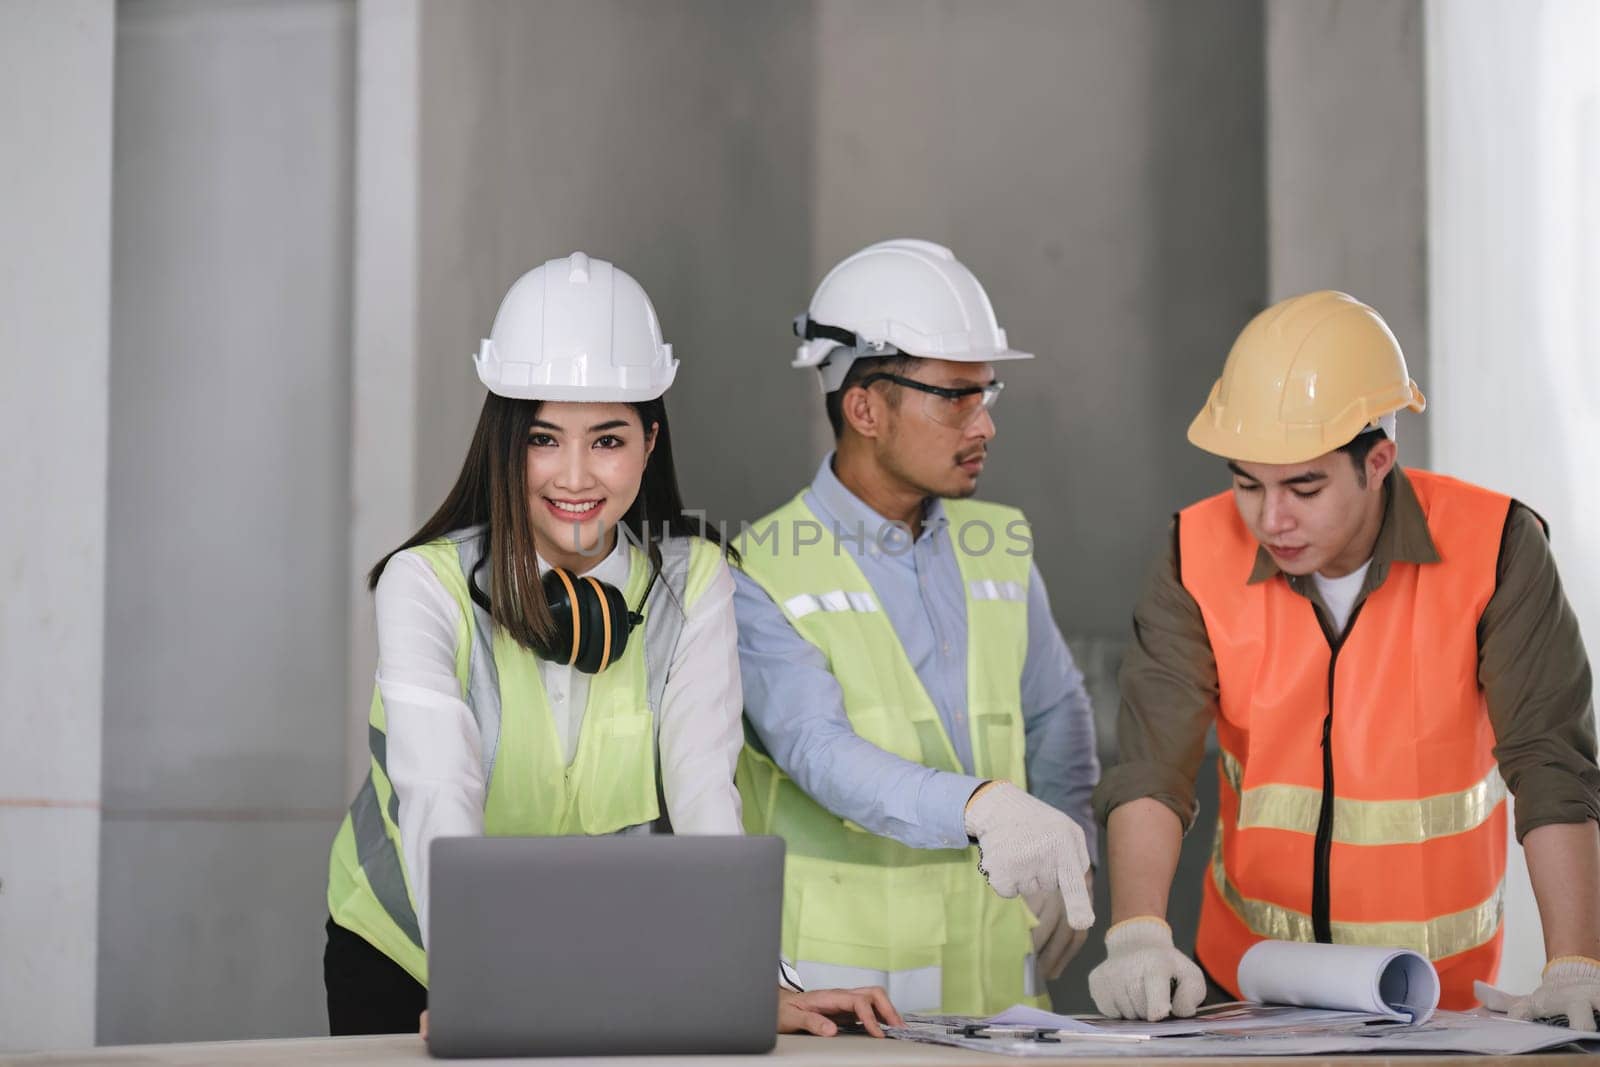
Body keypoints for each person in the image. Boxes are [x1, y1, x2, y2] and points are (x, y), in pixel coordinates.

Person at [323, 252, 902, 1038]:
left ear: (649, 440)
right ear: (504, 441)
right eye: (542, 438)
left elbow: (703, 790)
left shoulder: (692, 582)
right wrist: (480, 978)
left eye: (606, 439)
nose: (573, 475)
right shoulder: (424, 585)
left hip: (599, 958)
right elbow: (437, 790)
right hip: (413, 953)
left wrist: (746, 980)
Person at [1088, 290, 1600, 1027]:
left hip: (1432, 999)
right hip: (1245, 986)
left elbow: (1551, 762)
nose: (1272, 519)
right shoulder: (1193, 554)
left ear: (1378, 461)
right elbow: (1150, 765)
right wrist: (1137, 932)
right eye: (1246, 484)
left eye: (1304, 486)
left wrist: (1575, 962)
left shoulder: (1496, 546)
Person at [734, 239, 1101, 1015]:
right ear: (864, 407)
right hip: (847, 1011)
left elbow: (1055, 709)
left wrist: (1072, 849)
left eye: (986, 393)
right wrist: (981, 806)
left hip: (1001, 1001)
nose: (985, 426)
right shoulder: (760, 569)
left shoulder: (997, 542)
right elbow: (816, 750)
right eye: (955, 398)